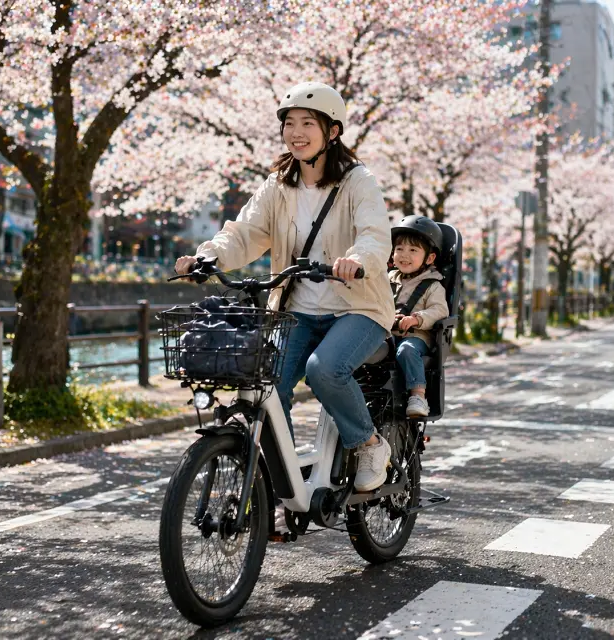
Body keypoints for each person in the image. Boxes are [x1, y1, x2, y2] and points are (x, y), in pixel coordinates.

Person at [175, 82, 395, 492]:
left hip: (358, 309)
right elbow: (245, 233)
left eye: (307, 123)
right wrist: (208, 256)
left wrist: (357, 261)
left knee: (324, 369)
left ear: (332, 131)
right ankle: (284, 488)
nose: (296, 132)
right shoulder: (279, 184)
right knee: (266, 386)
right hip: (297, 308)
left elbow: (374, 235)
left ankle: (368, 442)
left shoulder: (358, 181)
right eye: (289, 123)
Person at [389, 216, 449, 418]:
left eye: (413, 250)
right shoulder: (386, 280)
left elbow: (440, 310)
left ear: (430, 258)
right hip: (385, 334)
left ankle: (418, 395)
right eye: (400, 249)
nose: (404, 255)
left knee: (406, 350)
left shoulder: (433, 285)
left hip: (416, 337)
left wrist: (416, 318)